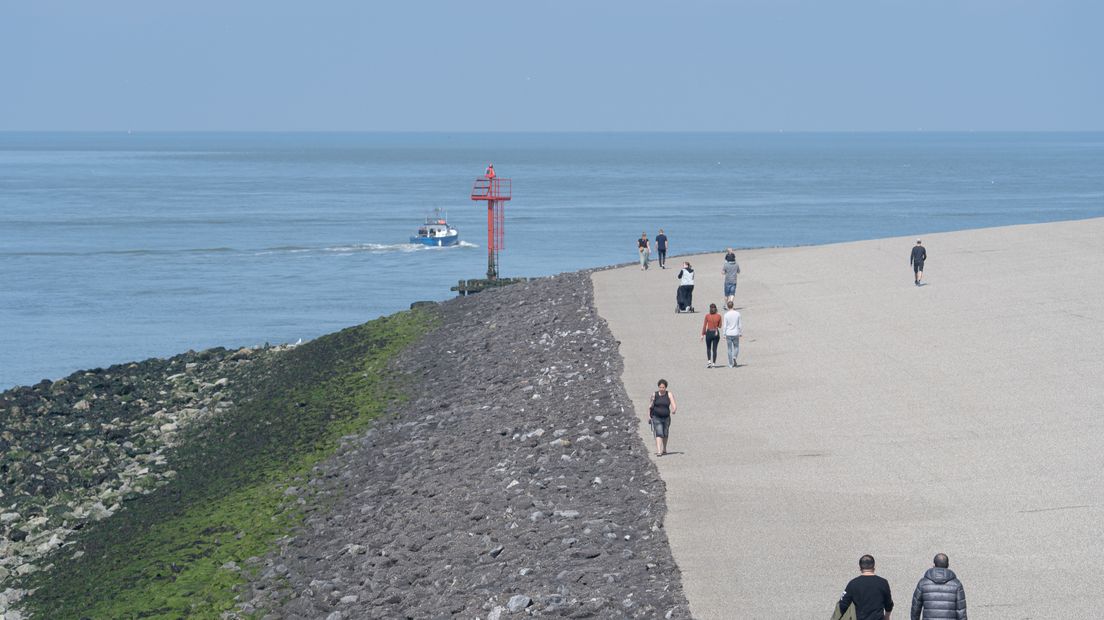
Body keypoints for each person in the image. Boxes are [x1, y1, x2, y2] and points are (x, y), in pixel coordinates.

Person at [910, 553, 967, 620]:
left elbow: (915, 608)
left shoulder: (923, 583)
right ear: (948, 565)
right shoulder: (956, 584)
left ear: (934, 565)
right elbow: (961, 611)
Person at [839, 554, 894, 620]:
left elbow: (842, 605)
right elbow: (888, 604)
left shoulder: (853, 584)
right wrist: (887, 616)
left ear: (860, 568)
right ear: (874, 567)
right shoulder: (883, 583)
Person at [647, 379, 677, 456]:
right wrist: (649, 416)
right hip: (656, 417)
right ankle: (659, 451)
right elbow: (650, 406)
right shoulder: (654, 395)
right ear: (658, 387)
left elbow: (673, 403)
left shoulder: (669, 394)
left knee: (665, 433)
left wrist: (674, 409)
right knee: (659, 432)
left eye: (663, 387)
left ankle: (664, 449)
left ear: (666, 387)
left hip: (666, 417)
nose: (662, 389)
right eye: (660, 387)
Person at [701, 303, 722, 367]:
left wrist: (702, 334)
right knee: (715, 349)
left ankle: (709, 361)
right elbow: (720, 326)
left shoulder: (707, 316)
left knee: (708, 348)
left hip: (709, 332)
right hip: (715, 332)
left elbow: (704, 325)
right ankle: (714, 363)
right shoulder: (719, 316)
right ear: (716, 309)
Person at [722, 300, 742, 368]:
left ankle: (730, 364)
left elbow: (725, 325)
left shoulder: (726, 315)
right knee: (736, 347)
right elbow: (739, 324)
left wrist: (724, 334)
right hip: (736, 333)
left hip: (728, 333)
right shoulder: (737, 313)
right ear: (733, 305)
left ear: (727, 306)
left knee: (729, 349)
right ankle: (734, 357)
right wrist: (740, 332)